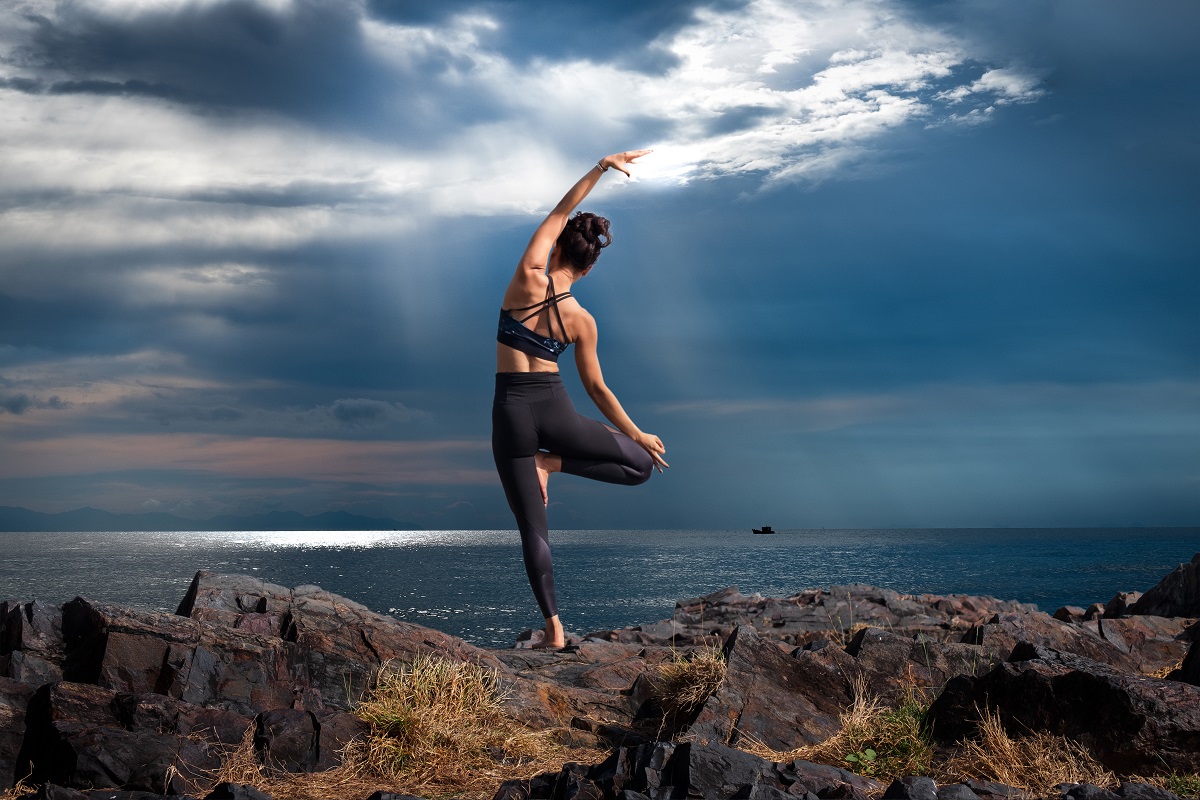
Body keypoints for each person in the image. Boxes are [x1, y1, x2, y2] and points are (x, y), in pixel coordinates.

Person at [493, 149, 668, 650]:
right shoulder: (582, 320)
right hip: (555, 409)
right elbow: (597, 389)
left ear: (555, 251)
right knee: (639, 467)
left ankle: (554, 629)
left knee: (533, 529)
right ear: (588, 269)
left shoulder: (526, 275)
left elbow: (557, 212)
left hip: (508, 413)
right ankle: (553, 462)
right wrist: (637, 434)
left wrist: (600, 167)